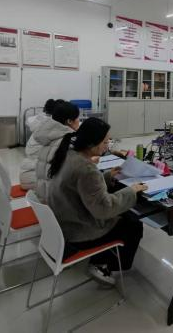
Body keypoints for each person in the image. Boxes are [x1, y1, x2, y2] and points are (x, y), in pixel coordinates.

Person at [46, 118, 147, 286]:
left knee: (124, 215)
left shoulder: (69, 154)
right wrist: (132, 191)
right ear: (91, 144)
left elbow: (81, 187)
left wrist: (106, 176)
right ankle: (103, 264)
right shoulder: (86, 169)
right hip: (77, 232)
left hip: (63, 222)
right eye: (105, 142)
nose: (108, 146)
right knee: (133, 225)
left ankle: (104, 258)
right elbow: (104, 209)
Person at [19, 101, 79, 190]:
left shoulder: (46, 129)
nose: (79, 121)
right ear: (69, 121)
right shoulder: (63, 138)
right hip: (37, 180)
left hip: (27, 174)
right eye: (77, 118)